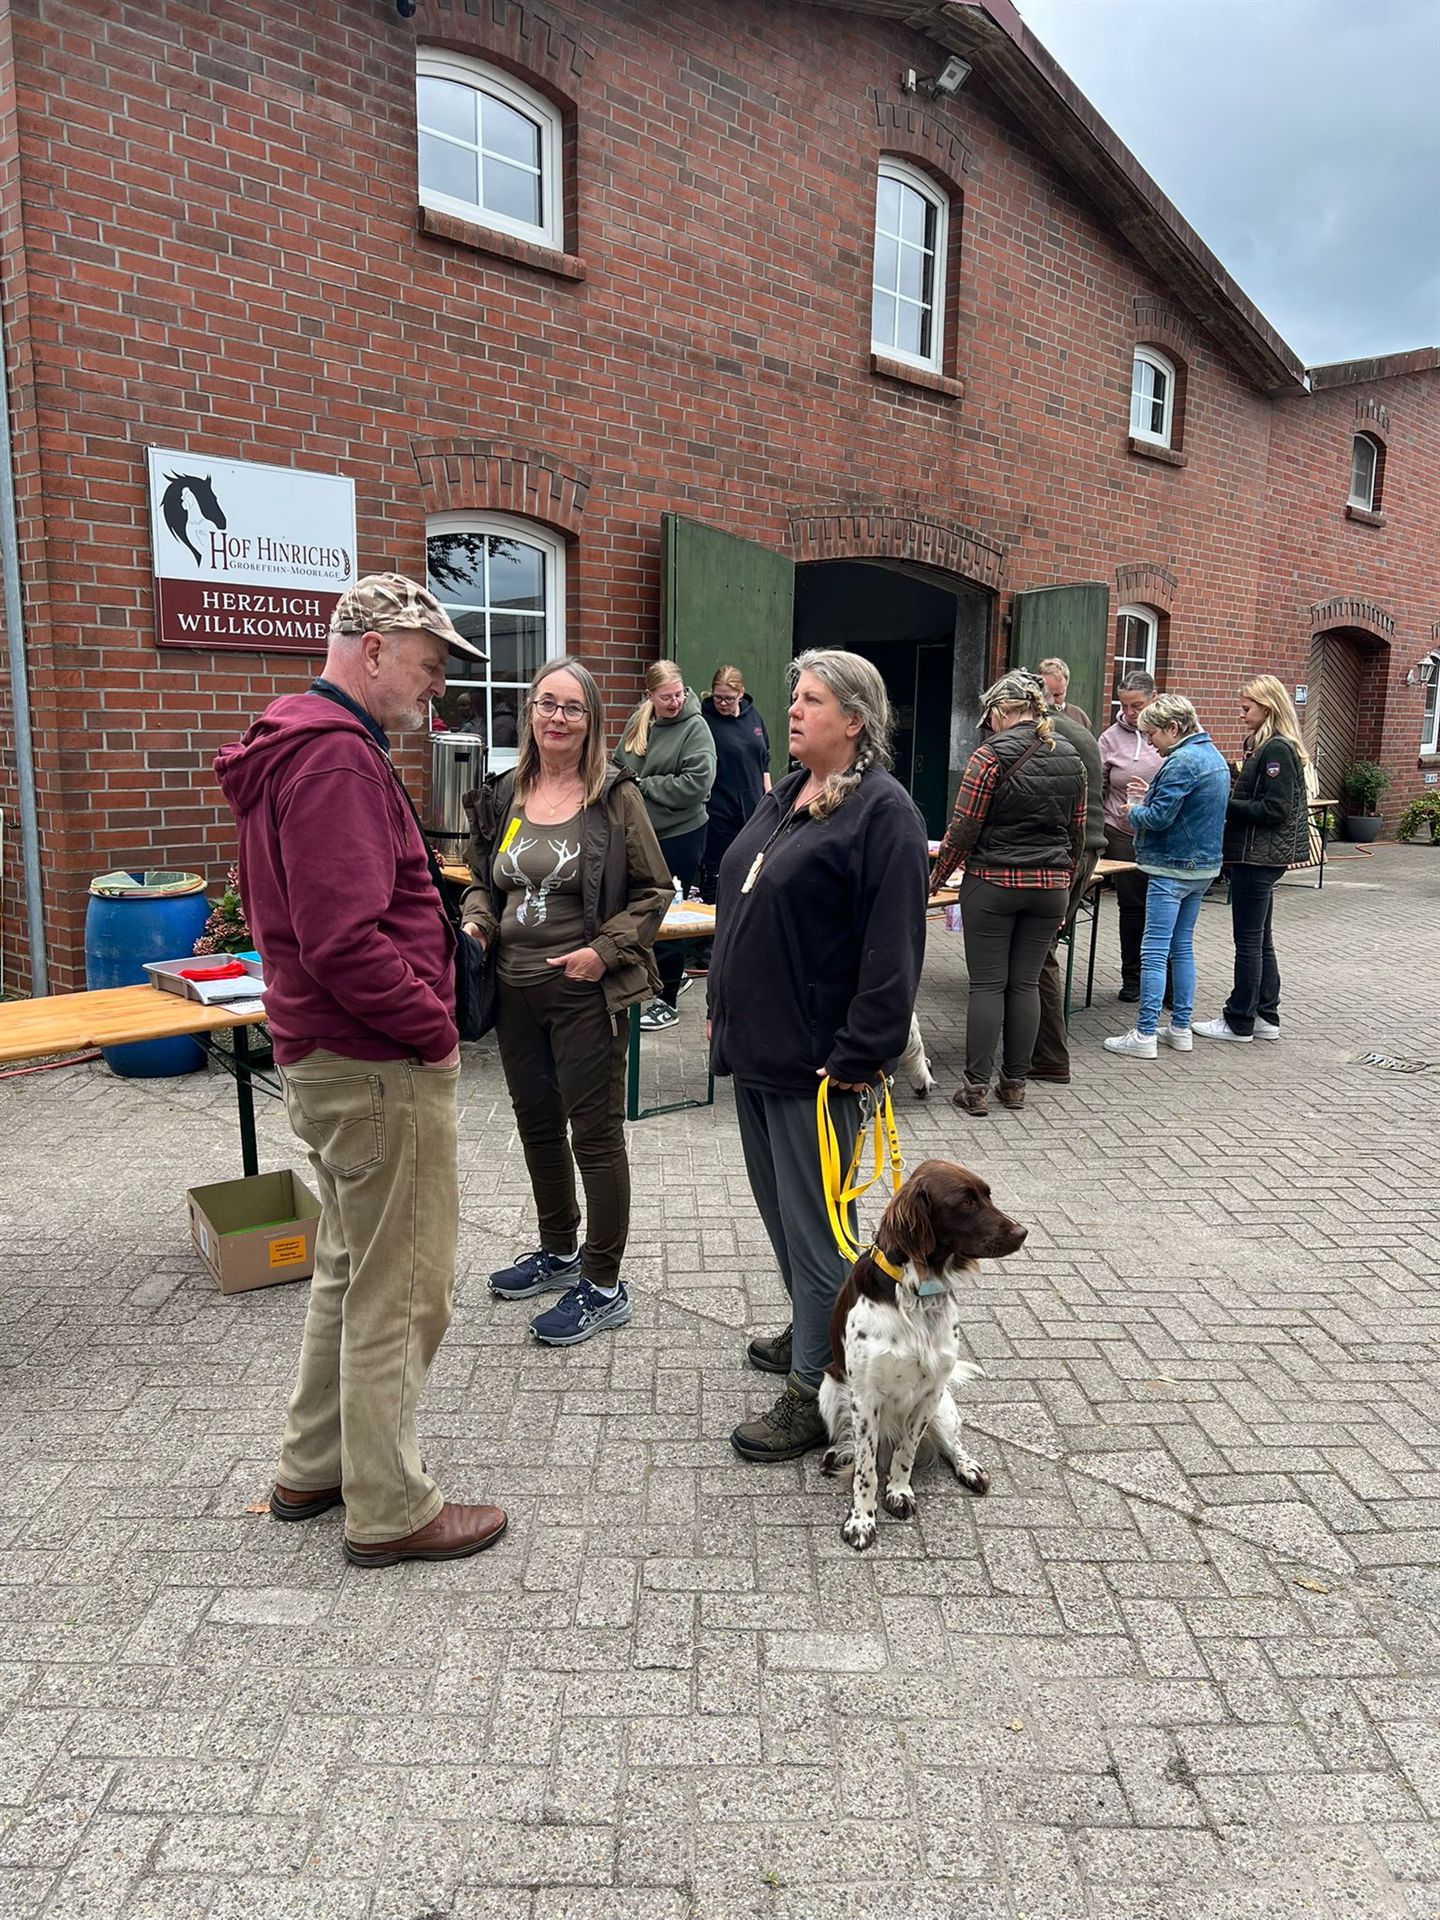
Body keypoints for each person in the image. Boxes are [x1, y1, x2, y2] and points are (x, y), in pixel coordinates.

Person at [214, 573, 507, 1569]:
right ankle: (389, 1506)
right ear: (373, 649)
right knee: (404, 1287)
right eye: (430, 665)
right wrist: (434, 1029)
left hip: (332, 1060)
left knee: (348, 1269)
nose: (438, 688)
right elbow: (342, 940)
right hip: (378, 1063)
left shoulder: (299, 743)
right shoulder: (337, 759)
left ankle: (314, 1465)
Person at [708, 650, 928, 1461]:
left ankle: (818, 1385)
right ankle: (814, 1325)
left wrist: (862, 1054)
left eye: (811, 700)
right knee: (785, 1219)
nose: (792, 711)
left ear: (854, 720)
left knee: (819, 1232)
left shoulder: (883, 813)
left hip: (819, 1066)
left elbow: (894, 954)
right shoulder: (791, 794)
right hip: (759, 1049)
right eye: (794, 697)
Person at [462, 658, 671, 1346]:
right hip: (513, 989)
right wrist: (478, 924)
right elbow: (480, 880)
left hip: (583, 993)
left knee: (596, 1134)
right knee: (537, 1125)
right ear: (529, 713)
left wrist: (603, 951)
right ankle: (558, 1251)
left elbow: (654, 891)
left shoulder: (614, 798)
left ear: (591, 721)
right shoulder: (504, 793)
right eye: (546, 704)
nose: (557, 717)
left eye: (572, 707)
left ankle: (604, 1284)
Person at [931, 671, 1086, 1115]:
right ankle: (1014, 1084)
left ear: (1001, 712)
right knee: (1025, 984)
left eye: (989, 718)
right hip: (1050, 888)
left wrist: (936, 880)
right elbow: (1076, 833)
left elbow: (963, 829)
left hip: (993, 882)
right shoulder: (1070, 756)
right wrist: (1067, 886)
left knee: (987, 985)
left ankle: (975, 1088)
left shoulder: (989, 756)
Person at [1103, 693, 1229, 1060]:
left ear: (1173, 728)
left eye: (1153, 734)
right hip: (1203, 867)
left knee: (1154, 951)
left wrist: (1132, 810)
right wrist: (1151, 797)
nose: (1151, 744)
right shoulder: (1213, 756)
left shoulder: (1181, 761)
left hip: (1171, 868)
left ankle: (1145, 1033)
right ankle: (1180, 1027)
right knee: (1182, 947)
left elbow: (1158, 818)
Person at [1194, 674, 1312, 1045]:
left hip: (1258, 857)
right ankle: (1265, 1015)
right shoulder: (1270, 746)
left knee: (1248, 941)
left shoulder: (1275, 750)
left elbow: (1275, 809)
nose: (1241, 714)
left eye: (1247, 708)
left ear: (1267, 707)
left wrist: (1225, 805)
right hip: (1262, 856)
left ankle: (1240, 1019)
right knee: (1261, 940)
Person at [612, 661, 716, 1030]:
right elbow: (618, 766)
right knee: (639, 908)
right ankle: (665, 978)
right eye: (666, 697)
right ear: (650, 696)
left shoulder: (696, 728)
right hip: (641, 833)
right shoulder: (639, 721)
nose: (674, 702)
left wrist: (645, 786)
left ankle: (667, 1000)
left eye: (678, 694)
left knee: (667, 914)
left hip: (681, 835)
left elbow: (697, 784)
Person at [1030, 683, 1106, 1085]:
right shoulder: (1080, 730)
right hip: (1086, 850)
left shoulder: (1045, 737)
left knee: (1036, 955)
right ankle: (1041, 1050)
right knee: (1044, 951)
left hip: (1060, 854)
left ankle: (1048, 1056)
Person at [1097, 671, 1167, 1002]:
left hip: (1161, 833)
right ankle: (1132, 978)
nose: (1129, 712)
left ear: (1154, 698)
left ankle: (1165, 979)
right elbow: (1098, 785)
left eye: (1136, 705)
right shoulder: (1110, 738)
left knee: (1164, 907)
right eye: (1123, 705)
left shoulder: (1171, 733)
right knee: (1132, 907)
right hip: (1121, 832)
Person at [699, 665, 771, 901]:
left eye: (729, 698)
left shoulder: (754, 716)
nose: (722, 703)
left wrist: (770, 798)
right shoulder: (704, 720)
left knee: (752, 873)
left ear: (741, 693)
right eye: (717, 697)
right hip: (720, 810)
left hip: (753, 808)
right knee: (719, 875)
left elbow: (764, 760)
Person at [1037, 655, 1092, 730]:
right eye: (1046, 695)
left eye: (1057, 695)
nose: (1051, 701)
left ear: (1066, 686)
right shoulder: (1030, 716)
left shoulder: (1079, 717)